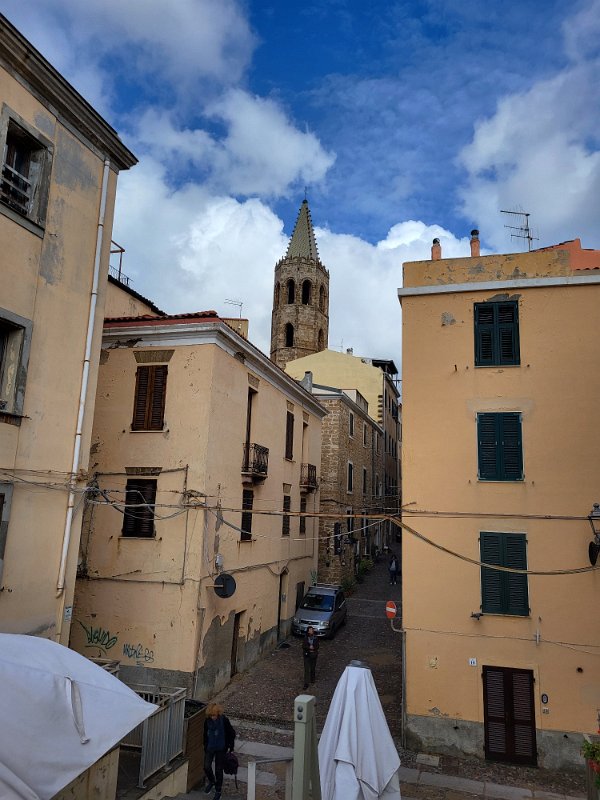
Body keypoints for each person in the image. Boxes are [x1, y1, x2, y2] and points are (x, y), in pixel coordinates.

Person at [203, 702, 235, 800]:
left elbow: (231, 733)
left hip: (221, 747)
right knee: (206, 766)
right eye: (211, 715)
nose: (213, 717)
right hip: (210, 747)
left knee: (218, 770)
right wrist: (205, 745)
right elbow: (205, 734)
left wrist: (230, 747)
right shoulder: (207, 721)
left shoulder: (224, 720)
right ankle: (212, 781)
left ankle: (218, 790)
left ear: (218, 714)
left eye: (214, 715)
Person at [302, 626, 320, 690]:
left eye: (311, 630)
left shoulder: (315, 638)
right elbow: (303, 645)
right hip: (307, 655)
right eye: (309, 630)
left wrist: (313, 648)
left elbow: (317, 646)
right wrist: (309, 647)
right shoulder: (305, 638)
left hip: (313, 655)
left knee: (312, 668)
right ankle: (306, 683)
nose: (311, 631)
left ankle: (312, 679)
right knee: (307, 669)